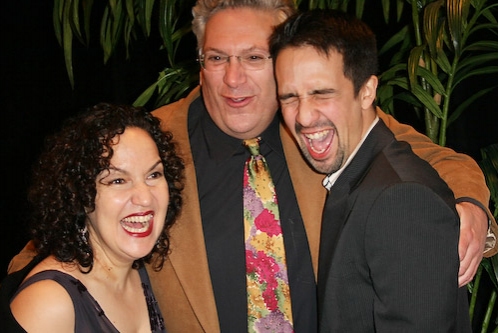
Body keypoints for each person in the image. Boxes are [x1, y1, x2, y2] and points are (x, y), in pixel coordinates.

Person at [7, 1, 496, 332]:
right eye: (217, 57)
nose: (233, 80)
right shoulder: (148, 145)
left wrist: (471, 204)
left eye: (254, 57)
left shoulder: (317, 124)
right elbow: (64, 233)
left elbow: (432, 159)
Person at [269, 9, 472, 331]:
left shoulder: (402, 199)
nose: (304, 116)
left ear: (367, 91)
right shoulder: (358, 177)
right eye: (290, 97)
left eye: (322, 93)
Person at [0, 103, 184, 332]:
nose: (145, 198)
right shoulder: (50, 303)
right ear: (81, 195)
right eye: (118, 180)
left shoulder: (143, 273)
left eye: (154, 174)